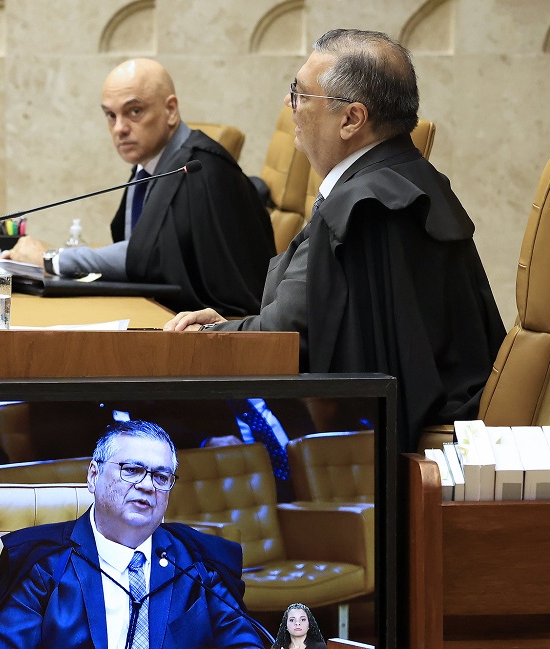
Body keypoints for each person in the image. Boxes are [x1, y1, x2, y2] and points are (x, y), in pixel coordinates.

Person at [164, 29, 505, 453]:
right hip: (450, 420)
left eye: (300, 94)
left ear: (351, 119)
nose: (289, 103)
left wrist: (213, 334)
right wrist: (232, 327)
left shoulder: (361, 209)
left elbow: (284, 341)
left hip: (400, 456)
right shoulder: (414, 179)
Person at [3, 58, 276, 317]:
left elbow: (147, 255)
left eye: (134, 111)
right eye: (111, 116)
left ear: (171, 110)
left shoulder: (199, 169)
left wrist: (52, 259)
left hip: (227, 330)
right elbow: (141, 249)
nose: (120, 128)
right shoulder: (149, 166)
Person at [0, 420, 269, 649]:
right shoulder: (44, 564)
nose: (147, 485)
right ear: (93, 476)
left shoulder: (197, 563)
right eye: (131, 470)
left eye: (161, 476)